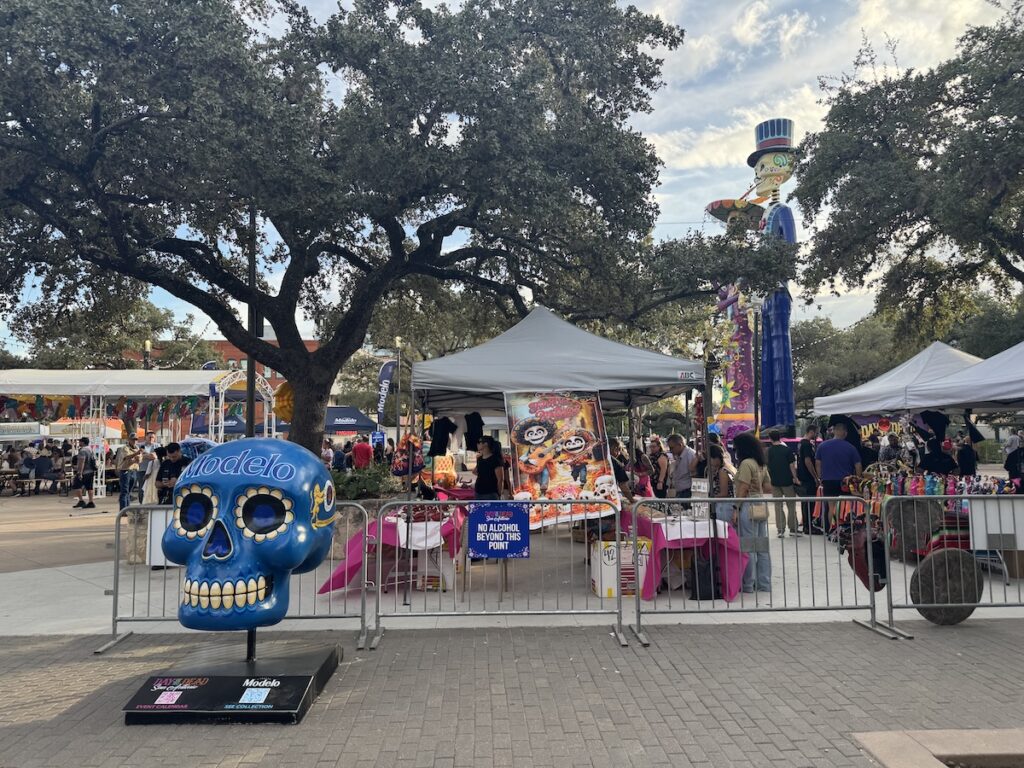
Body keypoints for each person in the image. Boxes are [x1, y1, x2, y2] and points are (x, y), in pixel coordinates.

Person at [732, 431, 773, 593]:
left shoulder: (746, 464)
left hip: (748, 504)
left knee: (748, 545)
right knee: (762, 546)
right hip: (761, 503)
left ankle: (748, 584)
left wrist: (736, 508)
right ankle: (764, 583)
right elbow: (768, 487)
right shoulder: (760, 464)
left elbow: (743, 488)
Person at [814, 422, 863, 532]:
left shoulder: (822, 446)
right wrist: (857, 479)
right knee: (845, 507)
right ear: (844, 433)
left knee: (831, 507)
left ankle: (831, 530)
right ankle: (843, 531)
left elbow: (818, 463)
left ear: (834, 431)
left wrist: (820, 477)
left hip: (828, 481)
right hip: (845, 482)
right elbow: (858, 465)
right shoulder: (851, 447)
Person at [766, 430, 800, 538]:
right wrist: (795, 478)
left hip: (774, 481)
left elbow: (767, 466)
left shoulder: (768, 451)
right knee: (791, 505)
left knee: (778, 506)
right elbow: (792, 466)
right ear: (780, 437)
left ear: (770, 438)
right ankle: (793, 528)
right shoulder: (787, 450)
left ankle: (780, 529)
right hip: (787, 481)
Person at [796, 425, 819, 534]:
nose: (817, 435)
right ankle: (808, 526)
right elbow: (808, 461)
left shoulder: (800, 443)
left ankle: (806, 525)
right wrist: (815, 476)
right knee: (810, 502)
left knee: (805, 502)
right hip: (808, 477)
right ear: (811, 432)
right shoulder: (807, 445)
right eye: (816, 432)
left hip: (802, 476)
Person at [114, 434, 143, 510]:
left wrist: (138, 458)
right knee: (124, 491)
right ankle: (123, 510)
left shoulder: (137, 448)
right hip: (125, 471)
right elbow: (127, 457)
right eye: (133, 439)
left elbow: (139, 460)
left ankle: (127, 509)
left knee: (129, 492)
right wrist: (136, 454)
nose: (134, 441)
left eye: (136, 439)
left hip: (134, 470)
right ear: (129, 440)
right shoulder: (125, 448)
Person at [666, 434, 697, 501]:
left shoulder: (690, 455)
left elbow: (694, 475)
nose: (670, 450)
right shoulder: (678, 455)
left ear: (680, 445)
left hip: (687, 492)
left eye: (672, 448)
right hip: (680, 492)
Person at [707, 444, 733, 522]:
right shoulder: (727, 468)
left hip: (724, 506)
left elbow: (724, 493)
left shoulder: (722, 471)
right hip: (725, 505)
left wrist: (710, 498)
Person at [71, 437, 97, 509]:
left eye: (80, 442)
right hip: (91, 471)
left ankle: (81, 501)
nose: (79, 443)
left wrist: (80, 473)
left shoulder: (82, 451)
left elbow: (81, 462)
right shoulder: (90, 449)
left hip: (84, 472)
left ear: (83, 442)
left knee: (76, 485)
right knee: (89, 487)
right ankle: (91, 502)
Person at [137, 431, 161, 504]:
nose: (151, 438)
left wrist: (144, 455)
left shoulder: (157, 446)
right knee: (141, 487)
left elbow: (155, 457)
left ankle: (151, 502)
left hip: (153, 470)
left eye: (152, 437)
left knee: (152, 487)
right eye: (149, 437)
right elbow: (138, 457)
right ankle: (142, 503)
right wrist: (149, 455)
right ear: (146, 437)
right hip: (142, 469)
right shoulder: (139, 445)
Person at [608, 439, 634, 503]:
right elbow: (623, 485)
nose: (619, 453)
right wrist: (632, 500)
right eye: (619, 449)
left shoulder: (596, 458)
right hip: (610, 500)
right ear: (615, 448)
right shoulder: (616, 463)